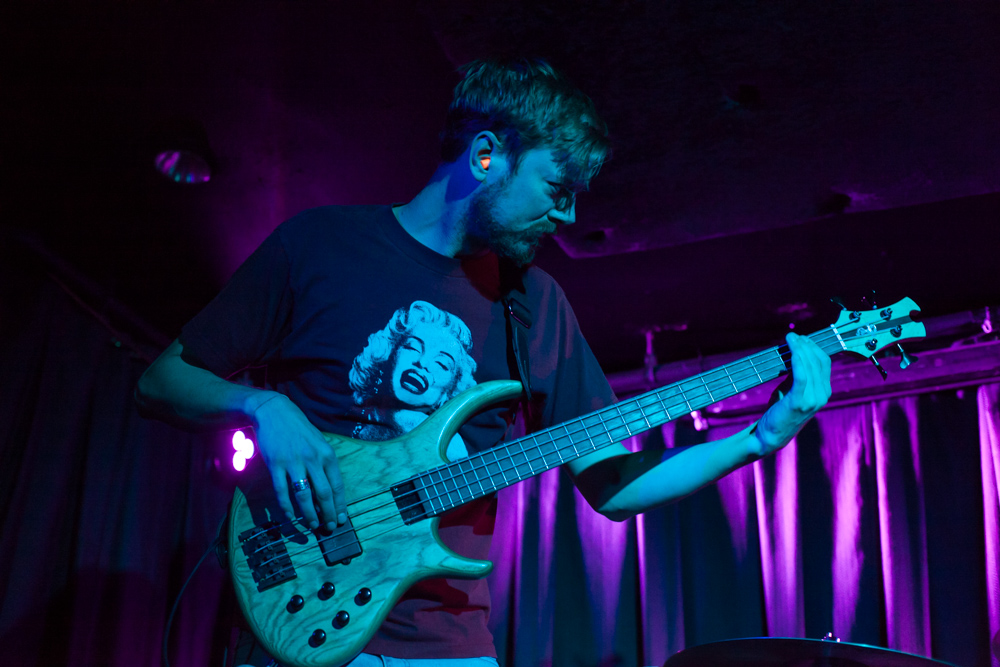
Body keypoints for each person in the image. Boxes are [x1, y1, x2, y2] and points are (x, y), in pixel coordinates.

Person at [135, 58, 831, 666]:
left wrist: (760, 438)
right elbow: (160, 380)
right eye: (557, 188)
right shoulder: (316, 246)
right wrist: (262, 405)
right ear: (487, 155)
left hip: (447, 647)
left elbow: (612, 487)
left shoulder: (537, 305)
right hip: (301, 615)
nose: (567, 214)